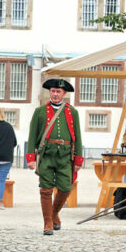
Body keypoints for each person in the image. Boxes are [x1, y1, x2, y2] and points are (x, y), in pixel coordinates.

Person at [26, 79, 83, 235]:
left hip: (65, 156)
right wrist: (30, 157)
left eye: (58, 91)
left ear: (64, 93)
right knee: (46, 190)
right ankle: (48, 223)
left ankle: (54, 213)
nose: (55, 94)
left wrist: (78, 158)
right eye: (53, 91)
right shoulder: (40, 112)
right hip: (46, 155)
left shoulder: (72, 112)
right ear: (49, 92)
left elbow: (77, 136)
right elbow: (32, 136)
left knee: (65, 188)